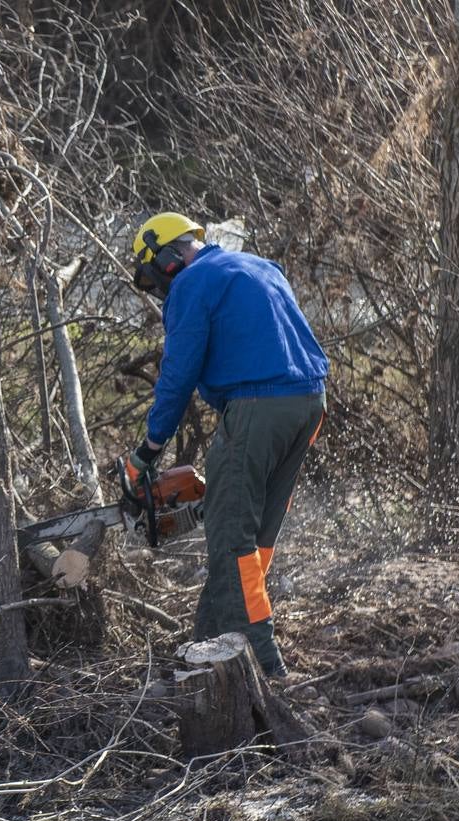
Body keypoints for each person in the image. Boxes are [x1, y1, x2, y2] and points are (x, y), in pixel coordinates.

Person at [126, 212, 328, 677]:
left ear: (165, 257)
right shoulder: (260, 266)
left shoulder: (192, 285)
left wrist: (149, 450)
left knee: (232, 536)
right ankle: (207, 642)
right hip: (310, 403)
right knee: (253, 538)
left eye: (151, 276)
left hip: (260, 404)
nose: (157, 290)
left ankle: (261, 662)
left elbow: (177, 377)